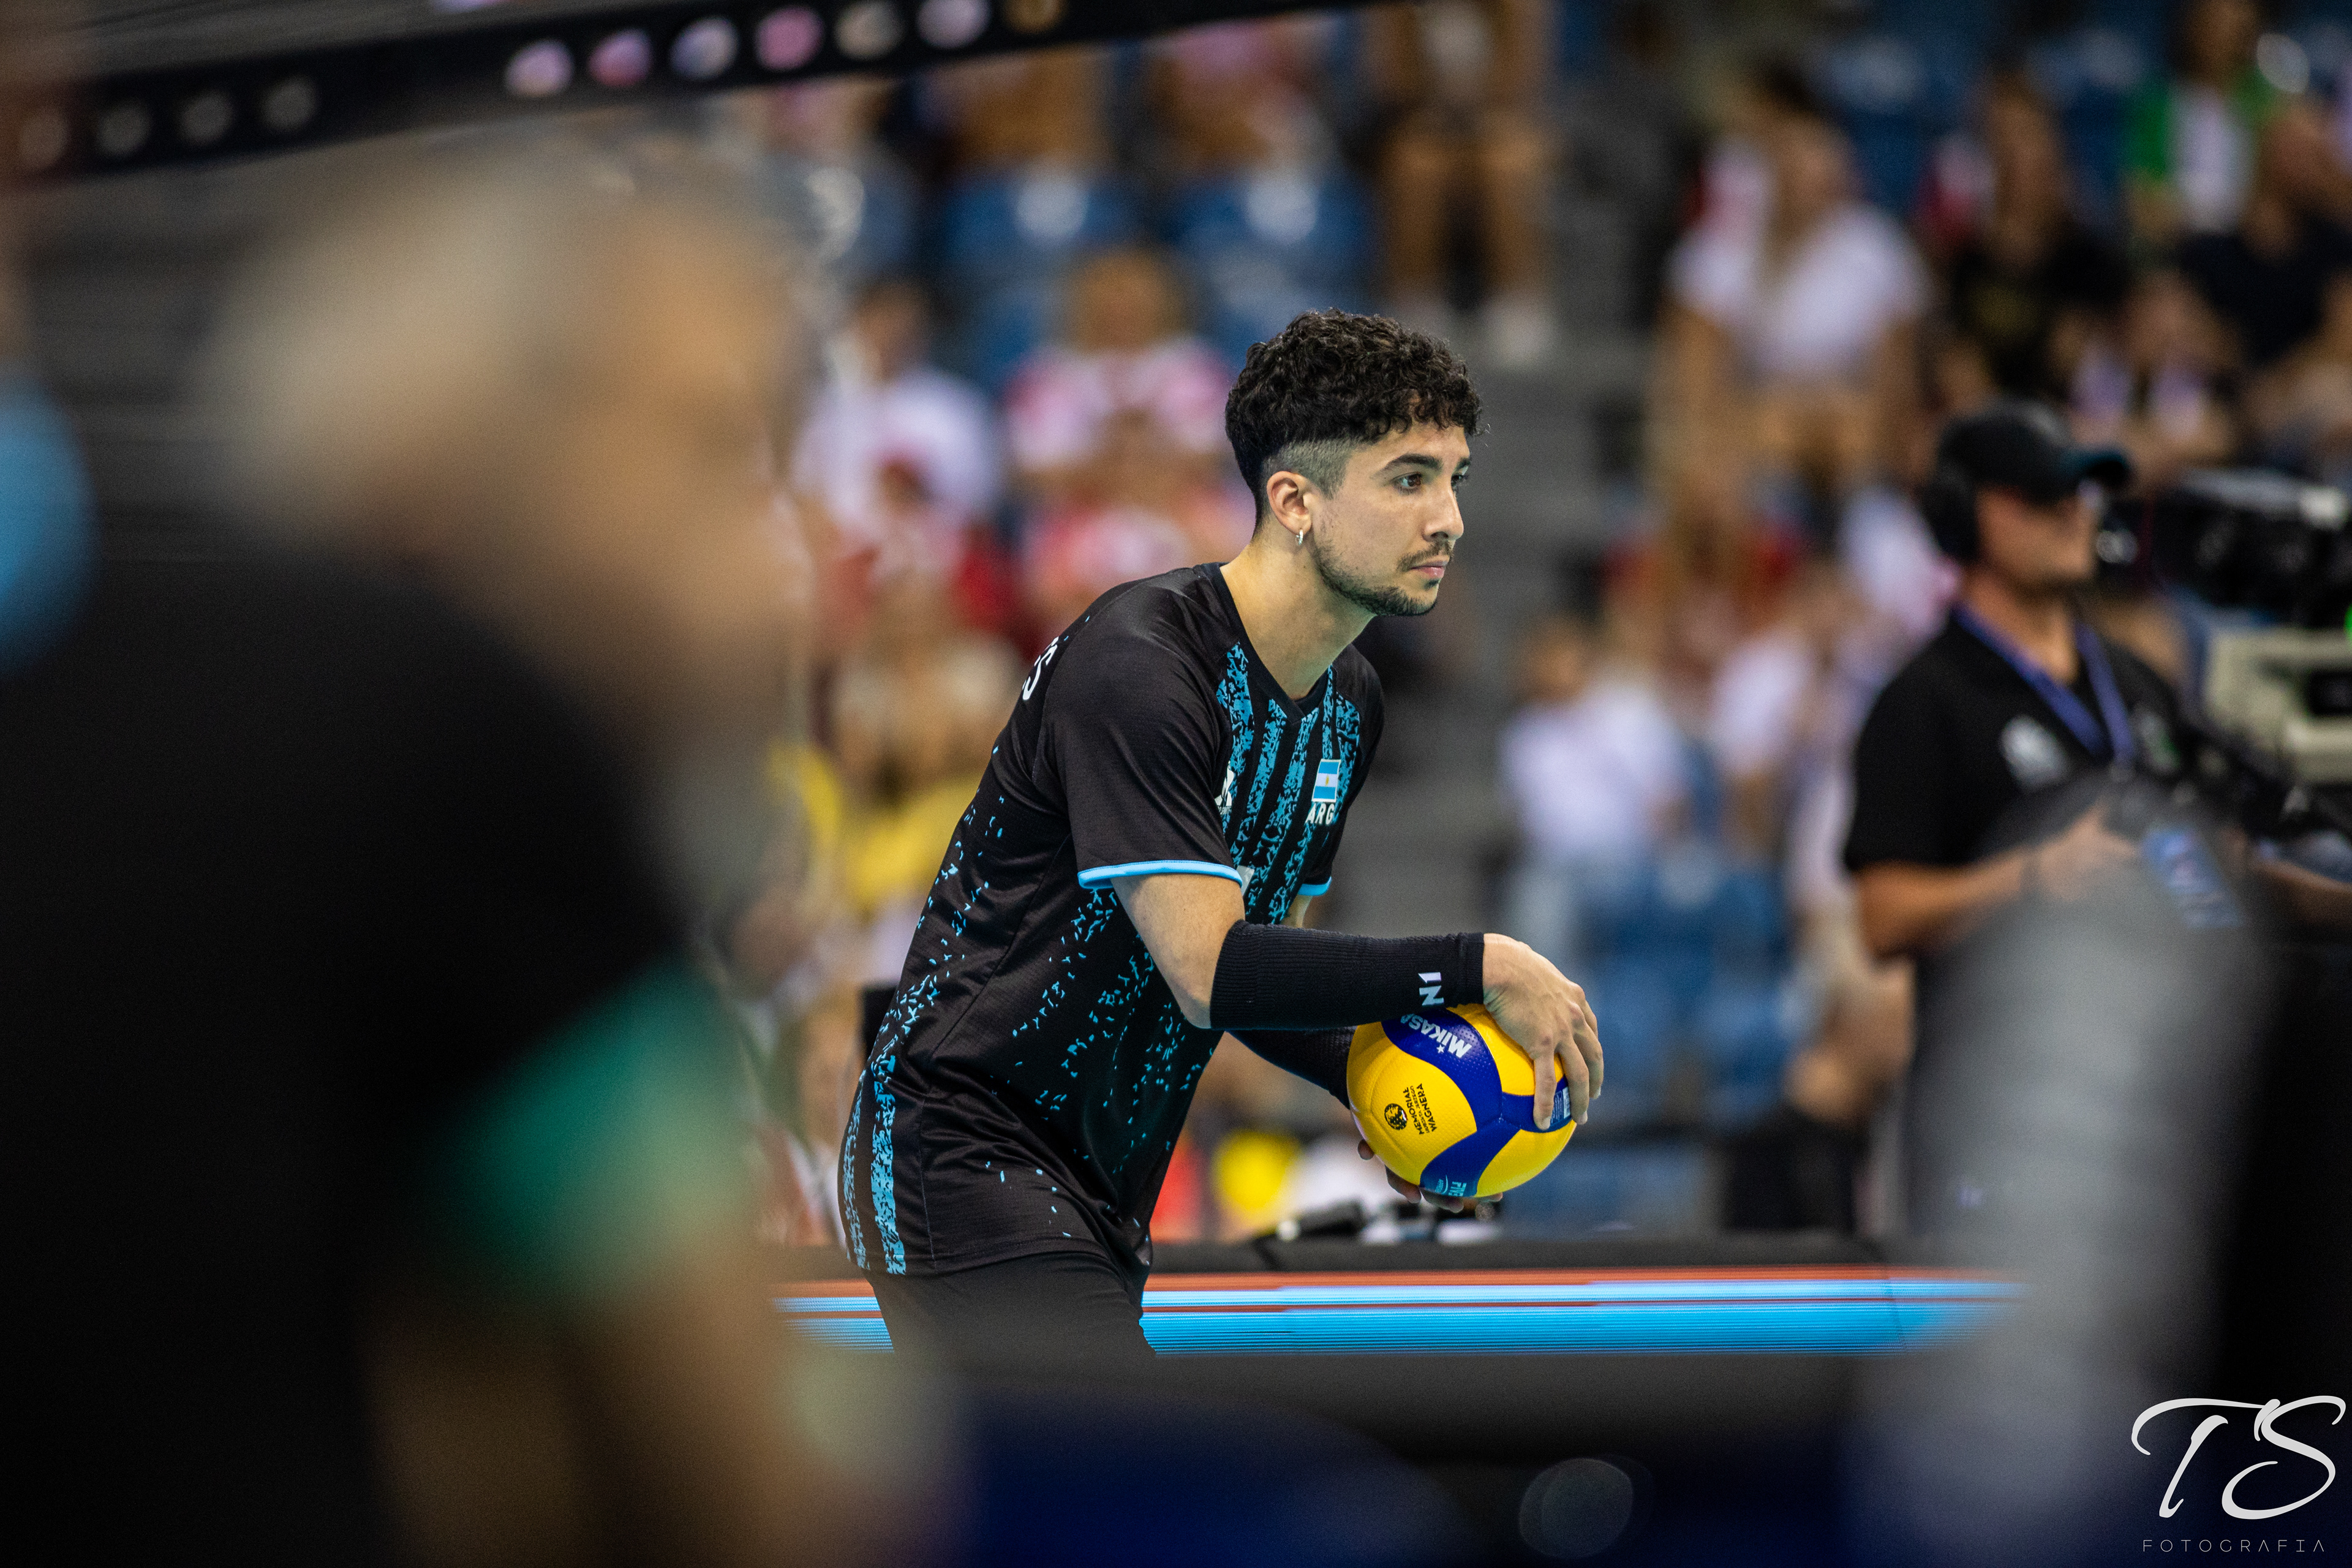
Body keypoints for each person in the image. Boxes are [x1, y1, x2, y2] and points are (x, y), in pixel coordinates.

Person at [839, 310, 1603, 1364]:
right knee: (1130, 1457)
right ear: (1294, 500)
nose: (1450, 520)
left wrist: (1383, 1087)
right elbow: (1213, 970)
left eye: (1454, 480)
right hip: (958, 1138)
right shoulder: (1140, 664)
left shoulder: (1350, 701)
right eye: (1409, 479)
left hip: (1104, 1180)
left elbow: (1264, 980)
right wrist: (1480, 965)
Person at [1842, 404, 2184, 1231]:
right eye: (2042, 496)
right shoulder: (1922, 700)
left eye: (2082, 494)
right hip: (2000, 1105)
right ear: (1964, 516)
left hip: (2156, 1088)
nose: (2075, 514)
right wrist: (2037, 876)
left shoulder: (2138, 684)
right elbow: (1883, 916)